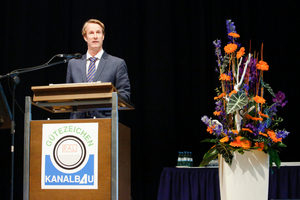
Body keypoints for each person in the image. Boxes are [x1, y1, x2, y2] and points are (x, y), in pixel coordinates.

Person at [66, 19, 131, 118]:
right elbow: (67, 94)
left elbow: (124, 94)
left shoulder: (117, 63)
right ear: (85, 37)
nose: (95, 36)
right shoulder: (73, 64)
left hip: (104, 120)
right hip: (78, 122)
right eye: (91, 33)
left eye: (98, 32)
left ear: (103, 36)